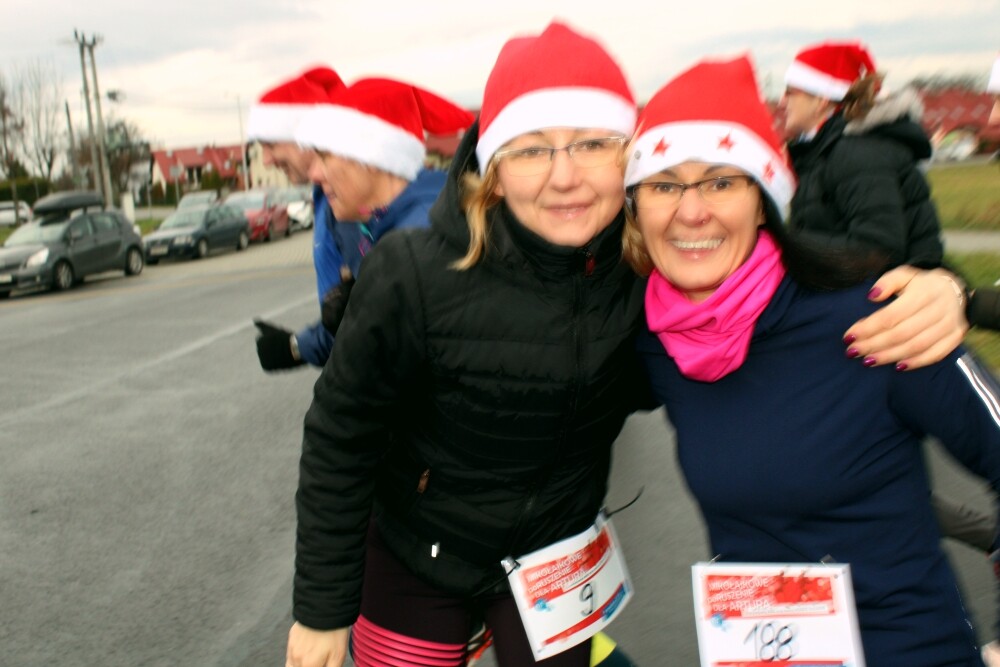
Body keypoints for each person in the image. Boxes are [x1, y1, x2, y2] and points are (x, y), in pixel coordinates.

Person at [287, 22, 647, 667]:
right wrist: (321, 612)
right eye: (531, 149)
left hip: (554, 559)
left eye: (594, 142)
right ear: (494, 171)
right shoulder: (412, 272)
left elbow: (762, 296)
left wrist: (884, 291)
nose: (564, 177)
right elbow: (342, 435)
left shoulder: (648, 274)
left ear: (632, 157)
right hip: (415, 553)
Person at [623, 53, 1000, 665]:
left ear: (763, 198)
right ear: (637, 208)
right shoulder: (656, 337)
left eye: (721, 180)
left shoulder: (874, 320)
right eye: (665, 184)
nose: (691, 211)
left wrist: (951, 290)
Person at [245, 66, 364, 371]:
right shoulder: (326, 196)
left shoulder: (347, 200)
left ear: (305, 137)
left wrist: (296, 347)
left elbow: (372, 317)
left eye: (271, 145)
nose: (267, 161)